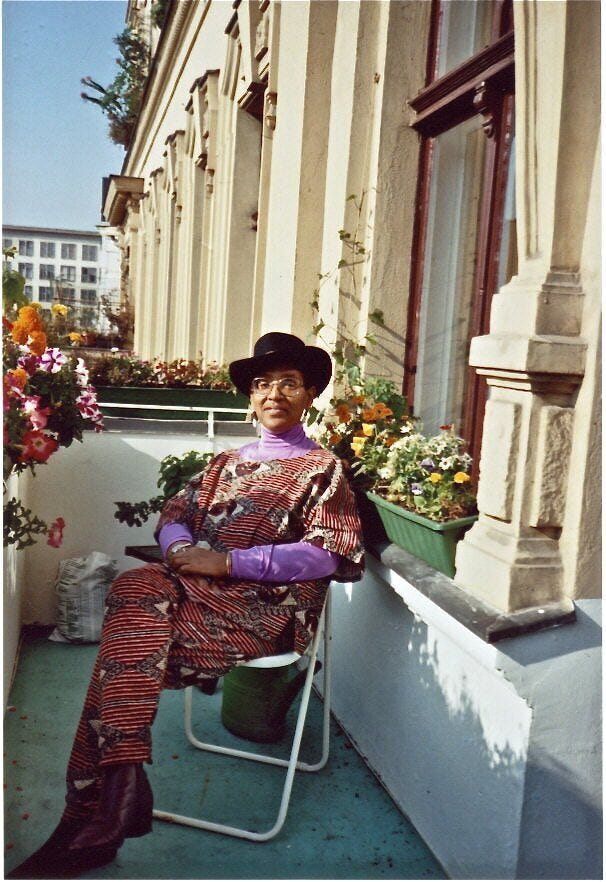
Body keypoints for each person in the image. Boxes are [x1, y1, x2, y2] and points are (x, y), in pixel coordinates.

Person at [8, 332, 364, 879]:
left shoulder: (324, 470)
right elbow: (174, 513)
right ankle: (121, 782)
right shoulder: (224, 463)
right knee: (135, 589)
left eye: (288, 383)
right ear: (249, 398)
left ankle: (90, 814)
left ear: (309, 394)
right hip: (191, 599)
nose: (274, 393)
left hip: (261, 614)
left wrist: (227, 564)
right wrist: (179, 549)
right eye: (263, 384)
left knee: (120, 658)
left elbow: (326, 553)